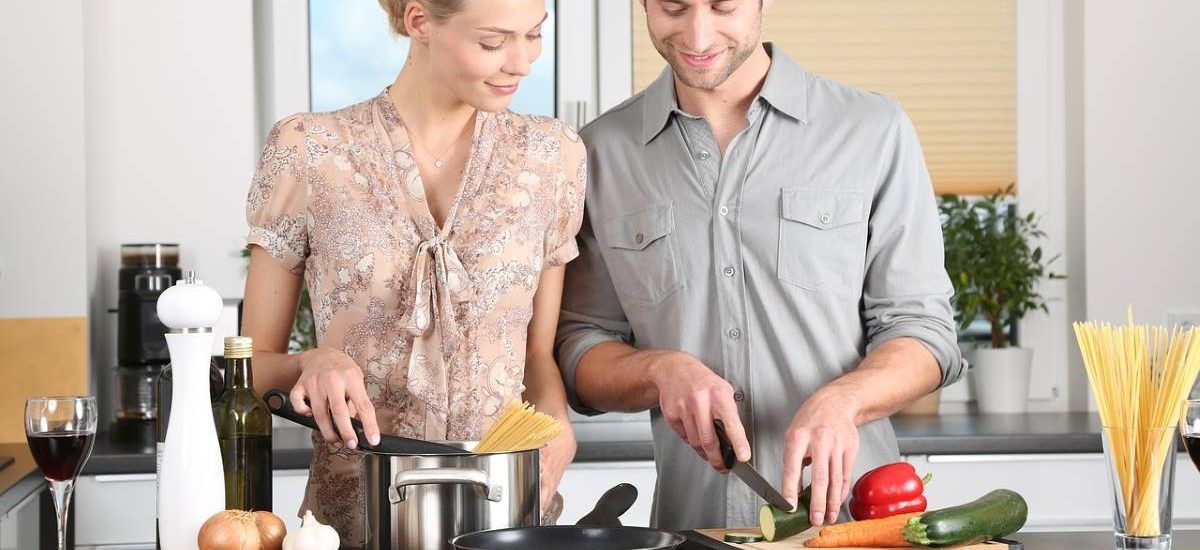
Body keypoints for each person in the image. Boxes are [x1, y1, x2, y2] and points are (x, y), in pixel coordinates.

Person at [555, 0, 965, 531]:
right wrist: (660, 371)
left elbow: (925, 333)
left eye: (723, 6)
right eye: (673, 8)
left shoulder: (872, 130)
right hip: (693, 528)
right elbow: (580, 347)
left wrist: (847, 398)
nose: (698, 35)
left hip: (859, 527)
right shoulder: (604, 152)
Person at [242, 0, 584, 543]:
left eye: (534, 36)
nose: (522, 62)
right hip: (354, 523)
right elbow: (247, 371)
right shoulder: (309, 150)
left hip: (507, 519)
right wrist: (314, 360)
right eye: (494, 43)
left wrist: (557, 425)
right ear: (418, 21)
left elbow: (536, 357)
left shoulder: (553, 156)